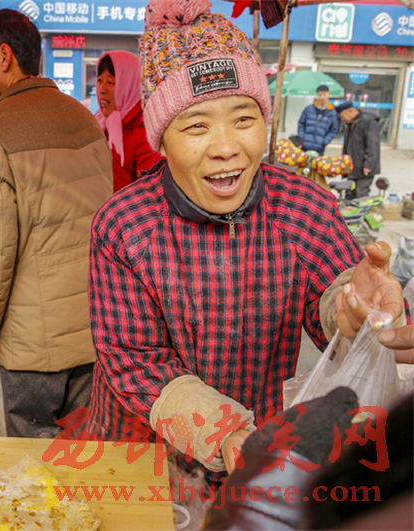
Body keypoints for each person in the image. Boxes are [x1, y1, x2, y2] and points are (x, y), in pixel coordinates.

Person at [84, 0, 405, 489]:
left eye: (243, 119)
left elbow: (339, 306)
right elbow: (133, 358)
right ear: (161, 140)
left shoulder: (303, 207)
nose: (226, 147)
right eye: (197, 125)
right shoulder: (124, 224)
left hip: (256, 447)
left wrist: (355, 308)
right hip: (141, 453)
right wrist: (224, 432)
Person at [0, 9, 112, 438]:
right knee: (84, 448)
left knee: (33, 458)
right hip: (94, 329)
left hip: (33, 343)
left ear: (3, 56)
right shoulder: (83, 119)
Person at [95, 51, 163, 193]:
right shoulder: (98, 123)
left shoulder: (147, 132)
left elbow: (150, 193)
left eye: (111, 82)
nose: (102, 90)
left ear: (130, 85)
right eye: (100, 81)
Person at [335, 101, 381, 199]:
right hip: (352, 167)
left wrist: (368, 165)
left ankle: (360, 210)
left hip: (363, 167)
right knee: (349, 194)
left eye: (342, 116)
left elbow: (372, 144)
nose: (342, 119)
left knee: (361, 194)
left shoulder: (368, 121)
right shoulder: (351, 123)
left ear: (350, 111)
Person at [297, 84, 338, 156]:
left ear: (328, 94)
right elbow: (301, 123)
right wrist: (302, 137)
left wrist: (325, 141)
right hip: (305, 146)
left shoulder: (332, 112)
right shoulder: (309, 109)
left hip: (320, 148)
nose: (322, 97)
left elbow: (333, 129)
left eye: (324, 94)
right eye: (320, 95)